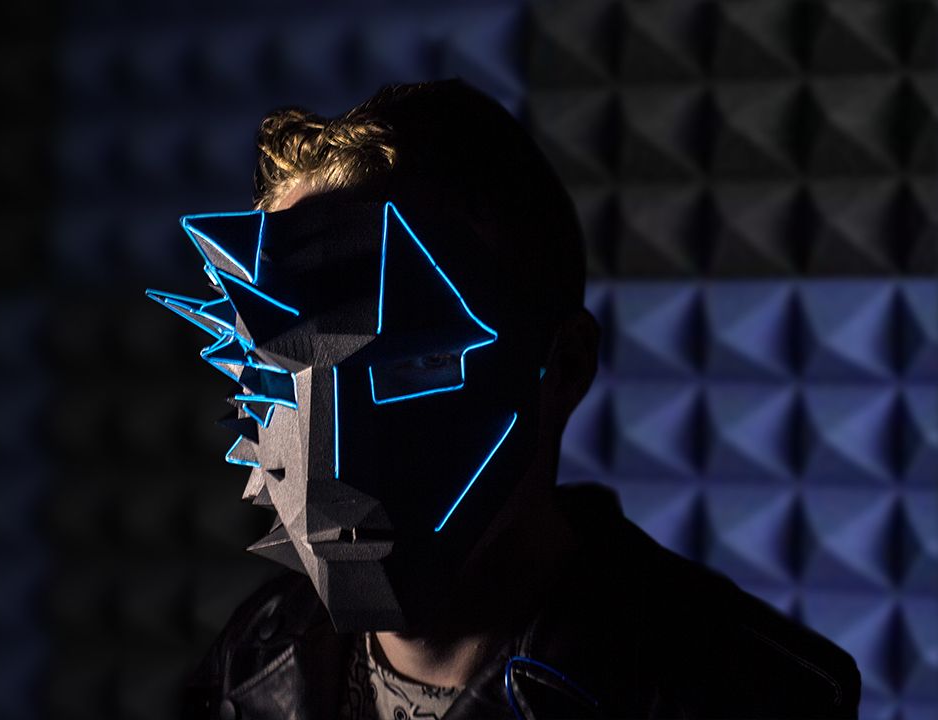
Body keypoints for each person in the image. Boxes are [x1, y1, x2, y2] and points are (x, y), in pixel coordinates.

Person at [149, 79, 861, 720]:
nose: (326, 468)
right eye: (278, 377)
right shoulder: (250, 660)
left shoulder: (747, 696)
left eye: (413, 367)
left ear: (564, 369)